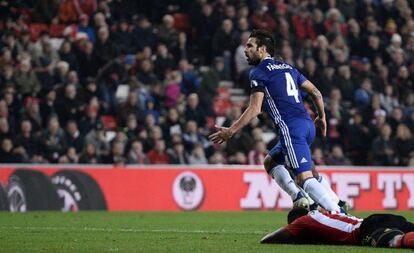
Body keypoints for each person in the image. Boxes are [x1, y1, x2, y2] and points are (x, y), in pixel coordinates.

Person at [209, 29, 341, 212]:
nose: (245, 50)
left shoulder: (258, 72)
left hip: (291, 128)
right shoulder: (288, 67)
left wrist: (230, 131)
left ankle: (338, 212)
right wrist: (322, 116)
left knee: (303, 177)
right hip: (307, 125)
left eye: (249, 46)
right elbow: (316, 93)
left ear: (262, 49)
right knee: (271, 162)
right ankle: (313, 198)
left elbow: (254, 108)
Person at [260, 207, 414, 249]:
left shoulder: (303, 221)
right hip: (379, 219)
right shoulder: (326, 213)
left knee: (396, 241)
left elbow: (266, 240)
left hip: (366, 229)